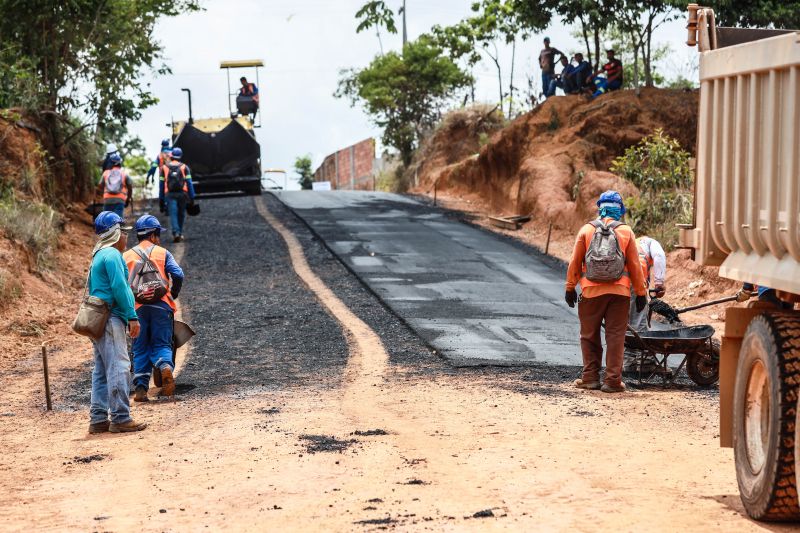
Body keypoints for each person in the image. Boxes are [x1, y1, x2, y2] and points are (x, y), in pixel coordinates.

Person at [565, 190, 647, 393]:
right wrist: (641, 293)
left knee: (589, 335)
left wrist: (570, 287)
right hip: (620, 294)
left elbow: (575, 261)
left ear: (600, 208)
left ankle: (590, 378)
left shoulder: (586, 230)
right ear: (620, 210)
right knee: (616, 337)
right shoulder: (626, 232)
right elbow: (635, 266)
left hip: (591, 292)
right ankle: (612, 381)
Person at [87, 211, 146, 434]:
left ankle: (98, 419)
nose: (126, 236)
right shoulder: (112, 255)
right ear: (114, 233)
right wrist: (132, 316)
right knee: (119, 367)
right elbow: (120, 288)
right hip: (112, 318)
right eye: (123, 232)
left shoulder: (98, 254)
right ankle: (121, 417)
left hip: (99, 319)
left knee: (102, 370)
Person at [123, 214, 185, 401]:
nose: (159, 239)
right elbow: (178, 274)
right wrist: (173, 293)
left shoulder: (126, 256)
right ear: (152, 235)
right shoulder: (162, 253)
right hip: (161, 306)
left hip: (137, 309)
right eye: (158, 235)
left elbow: (122, 284)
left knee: (140, 347)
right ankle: (165, 367)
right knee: (162, 344)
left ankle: (141, 388)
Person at [159, 147, 196, 242]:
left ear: (171, 156)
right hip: (182, 194)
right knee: (181, 214)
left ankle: (176, 233)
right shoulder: (184, 167)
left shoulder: (164, 168)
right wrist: (192, 197)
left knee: (173, 214)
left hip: (170, 194)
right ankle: (179, 233)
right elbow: (189, 183)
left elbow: (161, 185)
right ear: (180, 156)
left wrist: (161, 200)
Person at [96, 153, 133, 218]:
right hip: (120, 200)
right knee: (118, 220)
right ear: (120, 163)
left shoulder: (106, 173)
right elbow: (130, 187)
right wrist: (128, 199)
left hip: (107, 199)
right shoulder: (124, 174)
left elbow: (99, 186)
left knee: (107, 219)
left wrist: (102, 196)